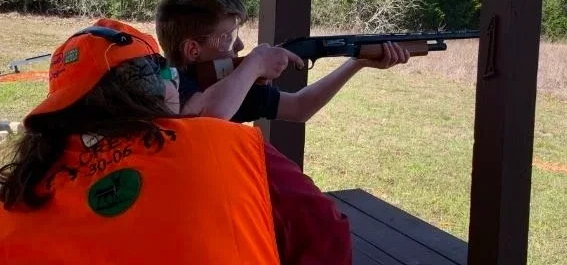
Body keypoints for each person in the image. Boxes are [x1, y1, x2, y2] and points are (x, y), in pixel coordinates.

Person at [0, 19, 352, 264]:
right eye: (167, 71)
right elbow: (325, 232)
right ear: (153, 87)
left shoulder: (17, 198)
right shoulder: (229, 142)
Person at [155, 0, 412, 121]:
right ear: (192, 49)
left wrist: (357, 61)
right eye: (228, 37)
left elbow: (300, 107)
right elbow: (208, 113)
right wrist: (254, 63)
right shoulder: (160, 83)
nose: (240, 46)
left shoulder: (234, 85)